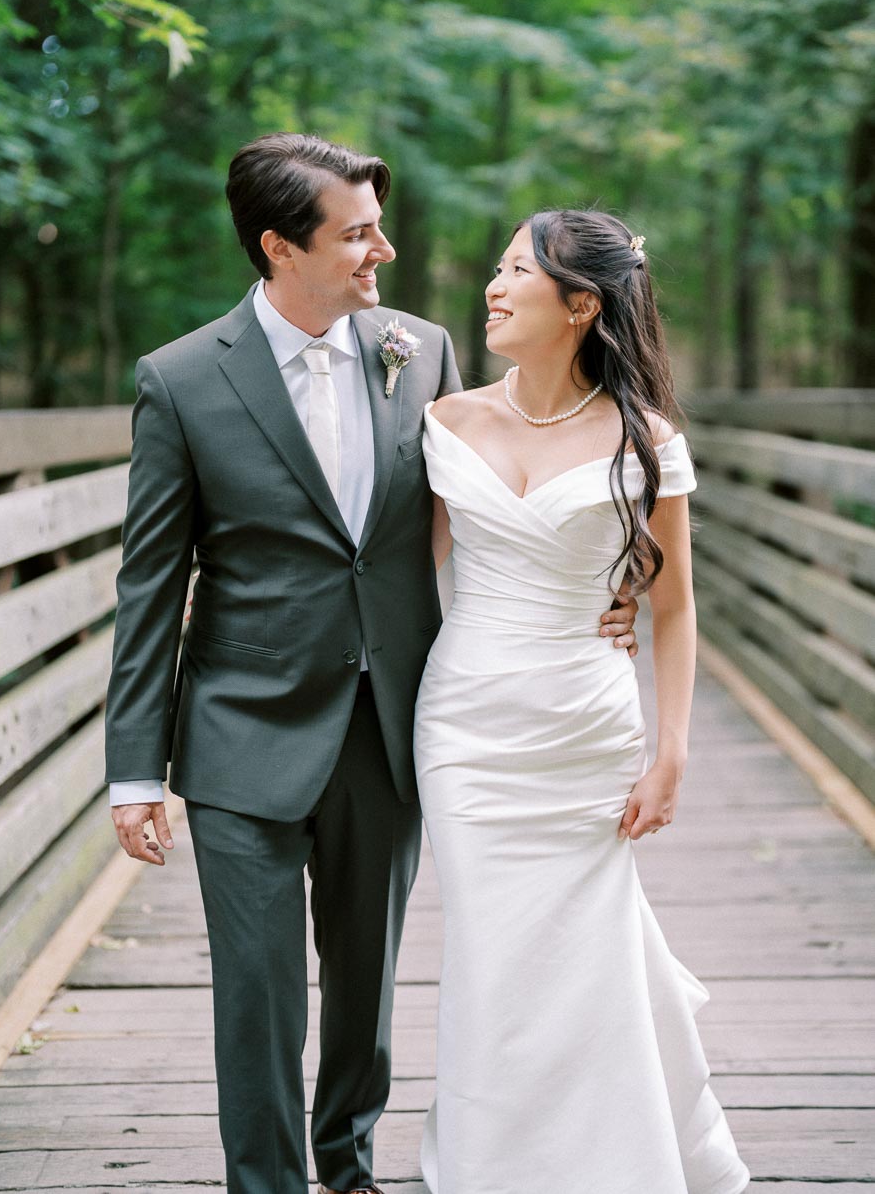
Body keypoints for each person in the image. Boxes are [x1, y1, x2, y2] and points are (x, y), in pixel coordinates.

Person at [103, 135, 640, 1194]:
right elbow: (148, 584)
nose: (381, 252)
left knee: (365, 987)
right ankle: (267, 1184)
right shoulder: (178, 382)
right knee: (257, 993)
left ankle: (348, 1171)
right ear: (277, 248)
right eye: (355, 234)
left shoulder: (422, 351)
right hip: (238, 731)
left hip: (388, 721)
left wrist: (603, 590)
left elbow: (494, 507)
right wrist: (134, 768)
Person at [414, 209, 751, 1194]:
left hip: (585, 726)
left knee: (582, 953)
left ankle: (624, 1158)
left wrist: (673, 749)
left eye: (517, 269)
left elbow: (676, 605)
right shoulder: (445, 421)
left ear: (580, 304)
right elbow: (395, 577)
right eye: (498, 266)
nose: (493, 284)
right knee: (491, 959)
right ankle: (482, 1170)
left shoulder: (644, 438)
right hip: (467, 729)